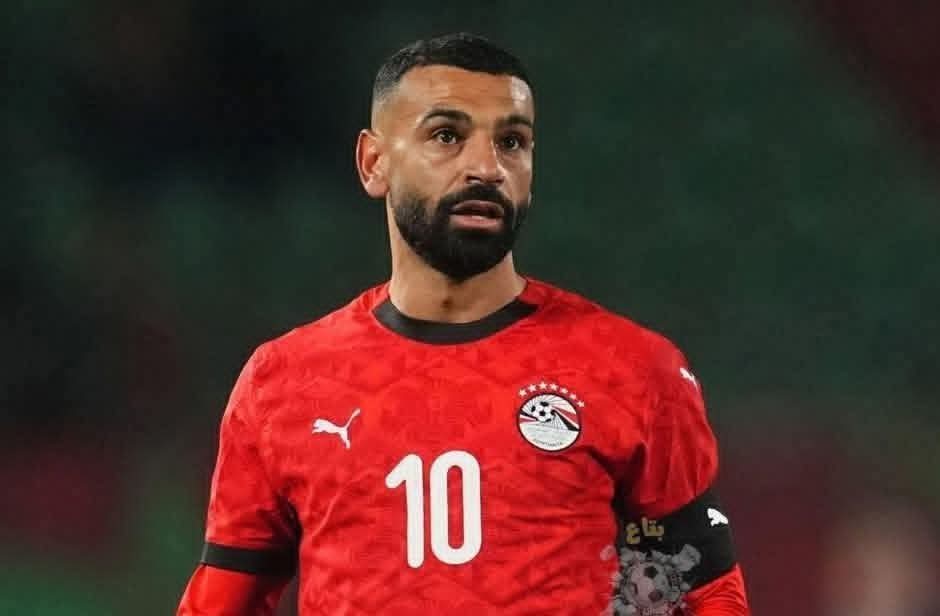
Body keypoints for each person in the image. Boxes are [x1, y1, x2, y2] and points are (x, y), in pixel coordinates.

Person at [177, 32, 750, 615]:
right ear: (374, 163)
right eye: (447, 136)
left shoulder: (634, 369)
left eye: (512, 141)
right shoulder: (283, 382)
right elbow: (222, 602)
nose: (487, 167)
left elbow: (706, 591)